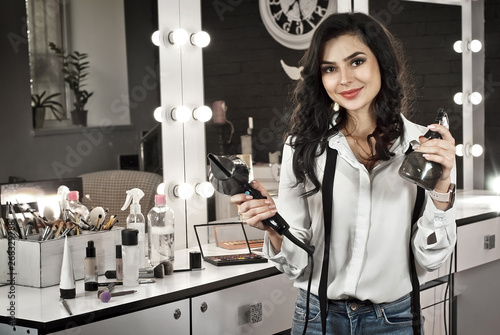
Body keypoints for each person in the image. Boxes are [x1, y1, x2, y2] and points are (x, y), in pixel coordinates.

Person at [232, 12, 456, 335]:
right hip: (317, 319)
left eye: (356, 62)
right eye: (330, 69)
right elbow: (298, 263)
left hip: (395, 321)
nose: (344, 80)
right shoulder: (304, 148)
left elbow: (431, 257)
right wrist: (273, 226)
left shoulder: (424, 148)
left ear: (382, 63)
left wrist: (443, 184)